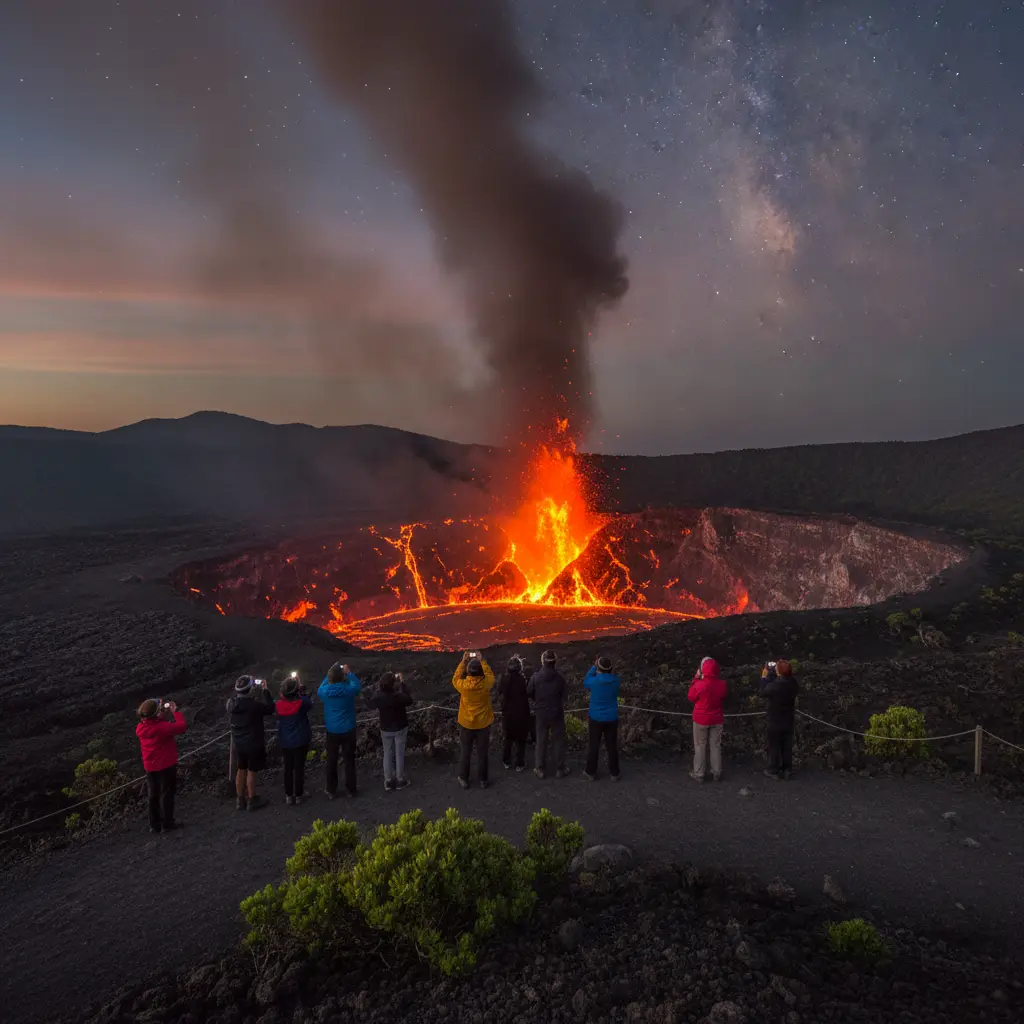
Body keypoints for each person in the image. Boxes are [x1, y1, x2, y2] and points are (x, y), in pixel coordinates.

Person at [136, 698, 188, 833]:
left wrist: (160, 714)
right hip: (166, 764)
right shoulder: (162, 728)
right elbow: (182, 727)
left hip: (150, 766)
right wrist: (175, 712)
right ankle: (168, 823)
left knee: (153, 795)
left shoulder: (141, 727)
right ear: (156, 712)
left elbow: (154, 722)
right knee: (167, 793)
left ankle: (154, 825)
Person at [227, 676, 275, 810]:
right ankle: (252, 799)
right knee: (252, 770)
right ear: (250, 689)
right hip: (253, 742)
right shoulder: (254, 705)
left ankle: (240, 799)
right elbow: (270, 709)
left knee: (241, 768)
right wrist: (265, 690)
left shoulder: (231, 704)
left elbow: (236, 697)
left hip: (238, 742)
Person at [452, 651, 495, 789]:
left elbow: (455, 678)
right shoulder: (486, 684)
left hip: (466, 723)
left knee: (466, 751)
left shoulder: (464, 686)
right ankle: (483, 780)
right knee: (482, 752)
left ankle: (464, 778)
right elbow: (490, 676)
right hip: (483, 724)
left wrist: (463, 661)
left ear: (468, 672)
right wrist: (482, 661)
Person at [318, 662, 362, 798]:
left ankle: (331, 789)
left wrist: (329, 674)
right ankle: (351, 789)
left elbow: (321, 687)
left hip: (332, 730)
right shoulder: (348, 690)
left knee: (331, 760)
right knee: (349, 759)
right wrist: (349, 673)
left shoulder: (324, 692)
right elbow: (357, 686)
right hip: (348, 729)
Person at [528, 649, 570, 779]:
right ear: (555, 662)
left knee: (541, 740)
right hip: (556, 712)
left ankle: (540, 769)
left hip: (541, 713)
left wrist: (538, 700)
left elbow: (528, 692)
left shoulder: (536, 677)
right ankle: (560, 769)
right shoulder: (560, 678)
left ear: (543, 661)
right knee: (558, 740)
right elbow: (565, 696)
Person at [369, 671, 413, 791]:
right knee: (399, 753)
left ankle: (388, 780)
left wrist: (379, 688)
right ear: (393, 684)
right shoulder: (397, 696)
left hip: (386, 728)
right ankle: (400, 780)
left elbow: (371, 702)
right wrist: (402, 683)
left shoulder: (379, 696)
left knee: (387, 754)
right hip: (400, 727)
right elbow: (409, 700)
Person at [275, 671, 313, 805]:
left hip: (286, 741)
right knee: (299, 768)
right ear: (296, 691)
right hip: (301, 741)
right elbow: (308, 702)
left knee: (288, 768)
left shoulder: (279, 705)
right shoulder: (301, 704)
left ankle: (288, 795)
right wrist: (301, 690)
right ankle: (298, 795)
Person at [688, 656, 727, 781]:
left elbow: (691, 697)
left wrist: (695, 679)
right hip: (716, 718)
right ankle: (717, 771)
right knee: (715, 745)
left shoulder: (700, 684)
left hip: (701, 719)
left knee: (700, 746)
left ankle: (699, 773)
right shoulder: (722, 684)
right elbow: (723, 697)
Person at [760, 659, 800, 779]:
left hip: (775, 719)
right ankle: (787, 769)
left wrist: (764, 676)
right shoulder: (792, 683)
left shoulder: (775, 686)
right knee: (787, 746)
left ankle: (773, 770)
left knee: (774, 746)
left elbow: (762, 691)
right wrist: (774, 674)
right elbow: (784, 681)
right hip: (788, 719)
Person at [583, 655, 621, 781]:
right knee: (612, 746)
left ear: (599, 668)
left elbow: (586, 681)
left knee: (594, 745)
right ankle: (614, 773)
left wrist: (594, 666)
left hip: (596, 718)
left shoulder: (594, 681)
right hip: (611, 718)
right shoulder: (616, 681)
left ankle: (590, 772)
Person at [496, 655, 531, 771]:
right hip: (521, 714)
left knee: (508, 738)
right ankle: (519, 764)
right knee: (521, 740)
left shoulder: (503, 679)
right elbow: (528, 693)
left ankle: (506, 761)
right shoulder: (522, 680)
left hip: (508, 714)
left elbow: (499, 692)